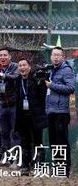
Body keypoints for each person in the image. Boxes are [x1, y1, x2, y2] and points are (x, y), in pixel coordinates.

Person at [45, 46, 74, 176]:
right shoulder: (51, 70)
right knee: (53, 141)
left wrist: (52, 85)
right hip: (50, 111)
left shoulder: (67, 70)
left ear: (63, 57)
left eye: (58, 55)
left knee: (62, 141)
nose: (55, 57)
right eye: (53, 55)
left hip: (61, 112)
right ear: (51, 56)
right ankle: (58, 166)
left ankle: (65, 168)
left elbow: (70, 88)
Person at [14, 58, 47, 175]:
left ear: (29, 67)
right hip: (23, 115)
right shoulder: (18, 80)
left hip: (36, 115)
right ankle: (25, 166)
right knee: (24, 141)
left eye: (24, 65)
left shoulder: (36, 79)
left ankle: (39, 166)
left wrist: (40, 83)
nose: (22, 68)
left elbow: (43, 95)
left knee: (38, 141)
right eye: (20, 66)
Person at [0, 47, 19, 157]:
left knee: (15, 132)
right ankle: (5, 157)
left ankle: (16, 158)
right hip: (2, 105)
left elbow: (15, 78)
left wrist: (1, 75)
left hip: (14, 105)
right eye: (0, 55)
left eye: (5, 55)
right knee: (3, 132)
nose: (2, 57)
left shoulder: (15, 67)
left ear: (10, 56)